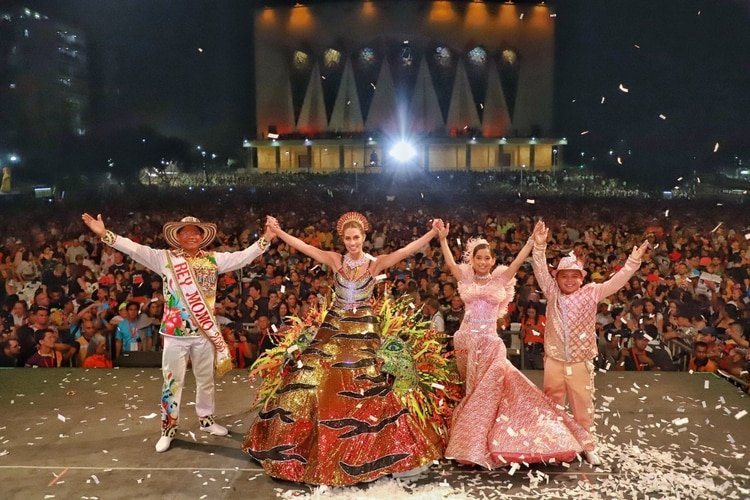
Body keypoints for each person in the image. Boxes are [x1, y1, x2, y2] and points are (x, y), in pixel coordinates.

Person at [243, 212, 448, 485]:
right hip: (334, 324)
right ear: (343, 239)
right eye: (348, 239)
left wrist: (433, 234)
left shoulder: (376, 264)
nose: (352, 243)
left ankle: (367, 448)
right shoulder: (335, 260)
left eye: (357, 238)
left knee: (359, 377)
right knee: (310, 373)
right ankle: (299, 446)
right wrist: (278, 232)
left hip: (363, 328)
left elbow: (406, 250)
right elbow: (305, 247)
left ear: (364, 238)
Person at [81, 213, 273, 453]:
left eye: (196, 232)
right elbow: (134, 249)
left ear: (203, 236)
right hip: (174, 333)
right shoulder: (165, 258)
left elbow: (243, 258)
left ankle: (207, 420)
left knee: (206, 380)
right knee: (172, 383)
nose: (191, 235)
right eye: (185, 232)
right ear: (177, 236)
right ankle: (168, 429)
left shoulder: (214, 259)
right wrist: (104, 234)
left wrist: (266, 238)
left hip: (204, 333)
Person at [436, 222, 591, 468]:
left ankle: (476, 447)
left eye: (488, 258)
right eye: (479, 258)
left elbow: (519, 261)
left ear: (493, 260)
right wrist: (443, 239)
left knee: (487, 393)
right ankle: (473, 443)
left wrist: (531, 241)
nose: (483, 262)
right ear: (473, 260)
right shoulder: (464, 276)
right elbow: (451, 264)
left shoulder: (501, 277)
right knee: (473, 392)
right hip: (465, 341)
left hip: (490, 343)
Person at [530, 220, 648, 466]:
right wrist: (539, 247)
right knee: (553, 404)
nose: (570, 280)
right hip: (554, 360)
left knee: (583, 406)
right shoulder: (551, 293)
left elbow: (617, 281)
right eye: (565, 276)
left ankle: (586, 445)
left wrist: (633, 262)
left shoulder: (591, 292)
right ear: (557, 278)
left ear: (581, 278)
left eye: (575, 276)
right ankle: (557, 444)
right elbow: (540, 269)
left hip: (581, 361)